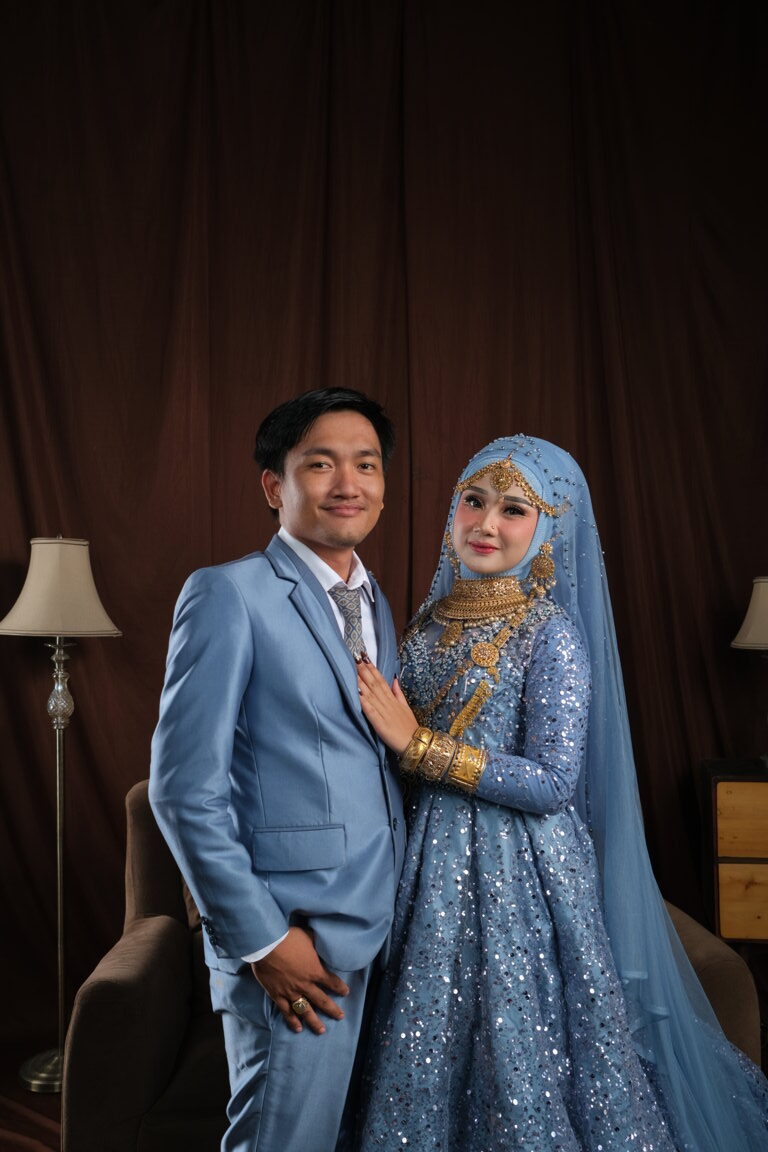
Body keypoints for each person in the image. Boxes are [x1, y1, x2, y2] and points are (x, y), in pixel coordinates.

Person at [355, 435, 768, 1151]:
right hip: (420, 863)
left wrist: (417, 746)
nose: (486, 524)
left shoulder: (551, 635)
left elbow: (551, 782)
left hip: (518, 875)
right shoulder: (426, 621)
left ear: (551, 529)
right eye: (474, 501)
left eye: (514, 509)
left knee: (518, 1048)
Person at [149, 388, 406, 1152]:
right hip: (295, 941)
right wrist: (263, 942)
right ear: (274, 486)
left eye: (366, 464)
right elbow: (182, 789)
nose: (348, 483)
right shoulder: (227, 593)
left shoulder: (375, 602)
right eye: (320, 464)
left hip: (380, 929)